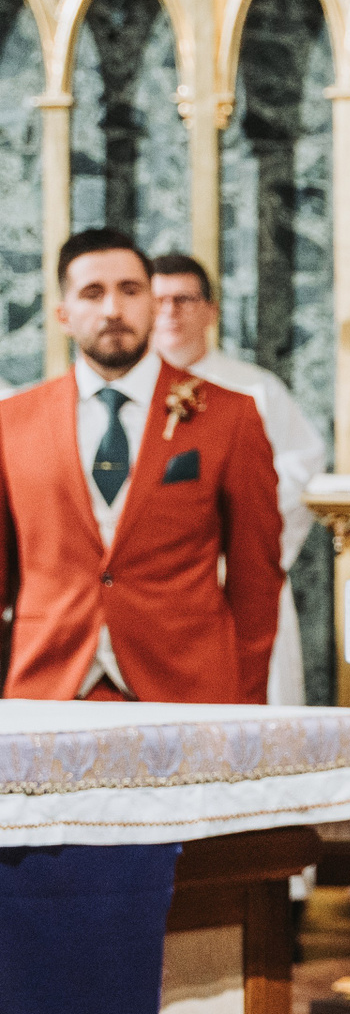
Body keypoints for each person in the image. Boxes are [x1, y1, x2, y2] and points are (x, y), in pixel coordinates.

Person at [0, 228, 283, 702]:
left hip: (187, 686)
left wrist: (244, 709)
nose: (113, 309)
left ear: (153, 303)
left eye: (130, 290)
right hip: (47, 684)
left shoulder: (230, 416)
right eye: (93, 293)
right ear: (63, 315)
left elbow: (256, 581)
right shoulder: (11, 422)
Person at [150, 254, 327, 707]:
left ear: (211, 311)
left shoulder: (254, 389)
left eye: (184, 300)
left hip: (238, 571)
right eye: (158, 300)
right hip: (155, 587)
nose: (169, 312)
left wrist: (228, 526)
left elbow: (302, 465)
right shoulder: (129, 392)